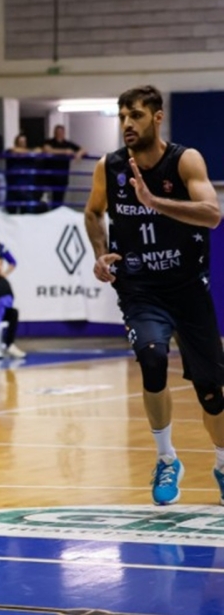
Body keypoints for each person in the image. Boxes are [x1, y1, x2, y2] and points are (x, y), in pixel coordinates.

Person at [84, 85, 223, 507]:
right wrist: (100, 252)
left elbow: (213, 214)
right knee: (152, 359)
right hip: (140, 288)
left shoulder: (185, 160)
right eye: (123, 116)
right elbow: (93, 212)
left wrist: (154, 201)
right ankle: (166, 459)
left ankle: (222, 464)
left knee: (212, 391)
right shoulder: (108, 167)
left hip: (188, 287)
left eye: (137, 115)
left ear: (157, 117)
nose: (127, 123)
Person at [42, 125, 85, 209]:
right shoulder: (50, 142)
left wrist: (79, 154)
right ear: (55, 132)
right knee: (47, 198)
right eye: (58, 132)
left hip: (62, 175)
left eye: (61, 132)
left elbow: (83, 149)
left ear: (64, 133)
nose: (59, 133)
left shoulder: (67, 143)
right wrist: (64, 151)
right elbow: (47, 150)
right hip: (50, 176)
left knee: (59, 199)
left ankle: (57, 214)